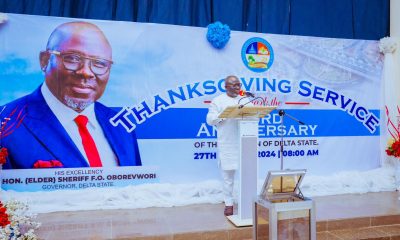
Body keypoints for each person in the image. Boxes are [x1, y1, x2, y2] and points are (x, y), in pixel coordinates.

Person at [1, 21, 141, 169]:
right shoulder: (5, 124)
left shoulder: (121, 126)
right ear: (44, 60)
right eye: (72, 58)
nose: (86, 72)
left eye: (100, 63)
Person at [206, 75, 252, 216]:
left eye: (239, 84)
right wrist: (225, 114)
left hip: (246, 142)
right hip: (228, 143)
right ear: (226, 86)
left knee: (247, 174)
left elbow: (253, 115)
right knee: (228, 177)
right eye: (234, 85)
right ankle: (229, 203)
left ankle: (247, 202)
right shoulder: (218, 100)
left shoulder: (245, 99)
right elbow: (210, 120)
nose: (238, 87)